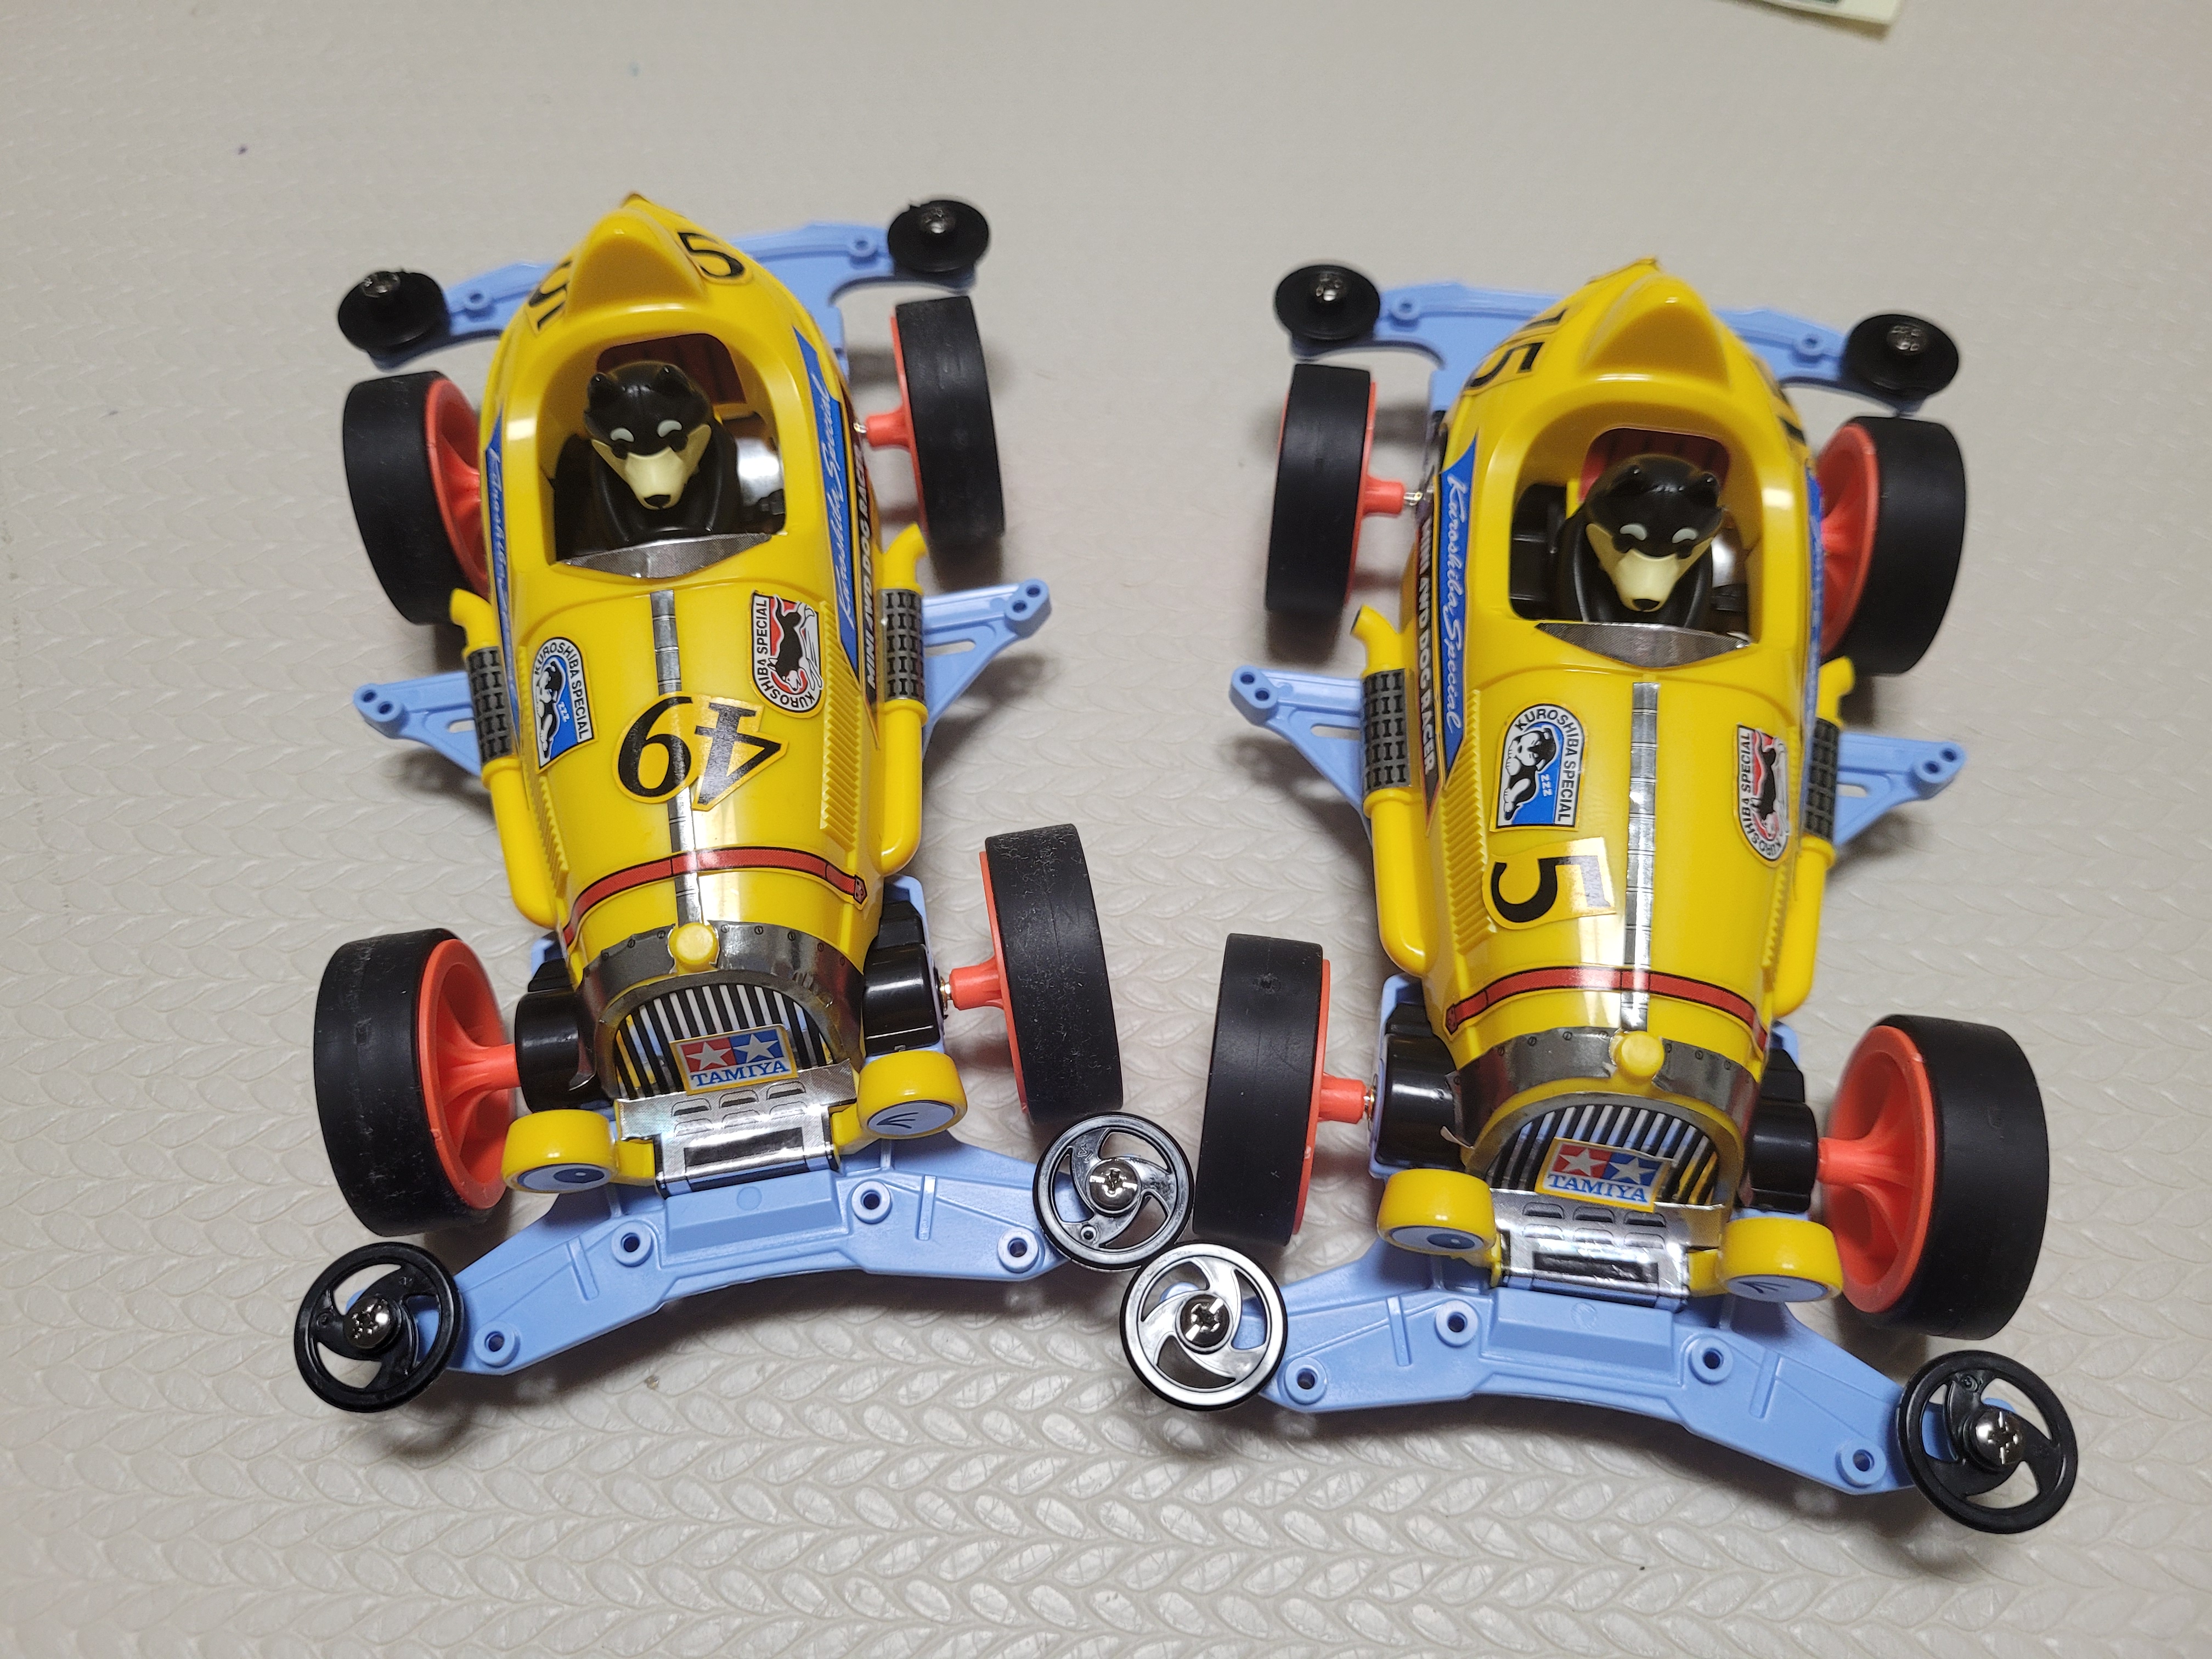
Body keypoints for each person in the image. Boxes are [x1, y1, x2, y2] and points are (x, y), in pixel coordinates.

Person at [553, 362, 782, 556]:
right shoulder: (601, 461)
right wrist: (624, 544)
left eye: (678, 443)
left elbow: (724, 499)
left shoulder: (717, 443)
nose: (654, 487)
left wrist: (714, 532)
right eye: (620, 451)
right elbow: (611, 519)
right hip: (639, 552)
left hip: (711, 539)